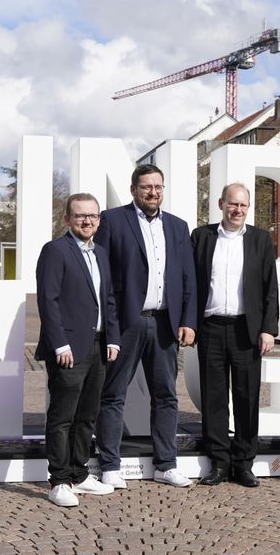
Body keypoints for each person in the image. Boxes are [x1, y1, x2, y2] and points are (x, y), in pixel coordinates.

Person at [94, 164, 197, 488]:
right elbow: (103, 276)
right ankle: (110, 464)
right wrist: (108, 324)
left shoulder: (179, 227)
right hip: (128, 321)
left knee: (166, 395)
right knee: (113, 394)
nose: (152, 192)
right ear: (133, 189)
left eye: (157, 187)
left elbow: (187, 278)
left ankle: (165, 464)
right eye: (146, 187)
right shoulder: (112, 221)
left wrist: (188, 321)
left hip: (166, 322)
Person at [35, 193, 121, 507]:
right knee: (62, 417)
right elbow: (48, 300)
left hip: (99, 347)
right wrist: (60, 343)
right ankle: (59, 480)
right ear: (67, 219)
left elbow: (108, 299)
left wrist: (112, 338)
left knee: (87, 416)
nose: (87, 221)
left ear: (99, 220)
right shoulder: (55, 251)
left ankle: (79, 474)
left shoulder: (100, 252)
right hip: (68, 349)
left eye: (93, 216)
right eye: (80, 215)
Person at [191, 183, 278, 487]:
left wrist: (269, 328)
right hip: (211, 326)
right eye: (232, 204)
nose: (237, 210)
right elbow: (192, 286)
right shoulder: (201, 237)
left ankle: (243, 463)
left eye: (243, 206)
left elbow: (270, 288)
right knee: (213, 397)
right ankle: (219, 462)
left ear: (248, 207)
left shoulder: (260, 240)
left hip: (247, 330)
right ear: (220, 203)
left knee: (246, 396)